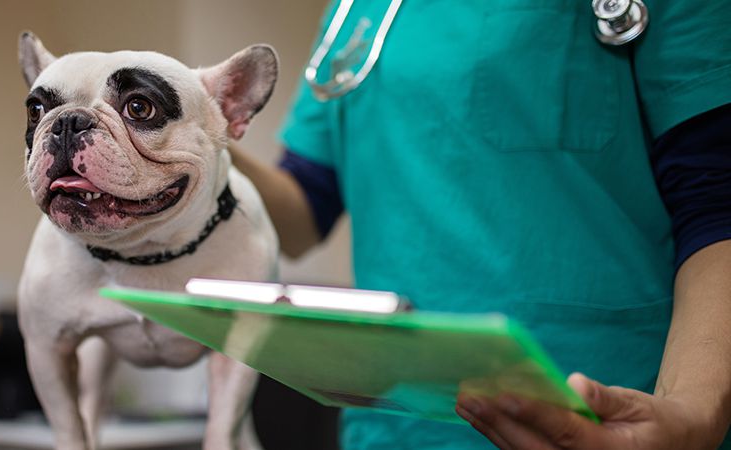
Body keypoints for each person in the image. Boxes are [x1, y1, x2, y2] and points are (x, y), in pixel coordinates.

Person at [233, 1, 731, 448]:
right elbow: (302, 213)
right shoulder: (359, 9)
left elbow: (716, 202)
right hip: (393, 427)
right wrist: (193, 123)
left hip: (603, 412)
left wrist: (692, 413)